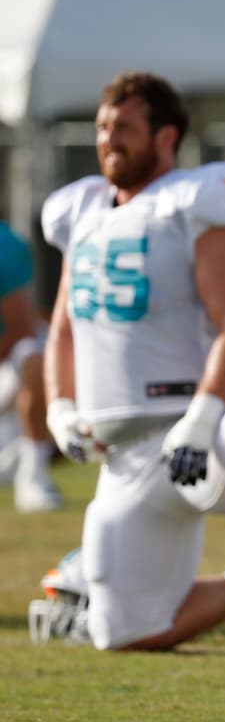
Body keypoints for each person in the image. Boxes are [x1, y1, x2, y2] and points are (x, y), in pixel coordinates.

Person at [40, 71, 225, 661]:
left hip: (206, 423)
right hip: (126, 452)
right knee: (124, 631)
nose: (109, 141)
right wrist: (59, 407)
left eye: (124, 127)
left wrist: (201, 422)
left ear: (166, 135)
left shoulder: (197, 197)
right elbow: (64, 327)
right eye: (102, 128)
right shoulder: (83, 211)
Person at [0, 219, 61, 511]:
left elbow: (19, 328)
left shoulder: (4, 243)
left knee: (34, 358)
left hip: (6, 368)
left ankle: (33, 474)